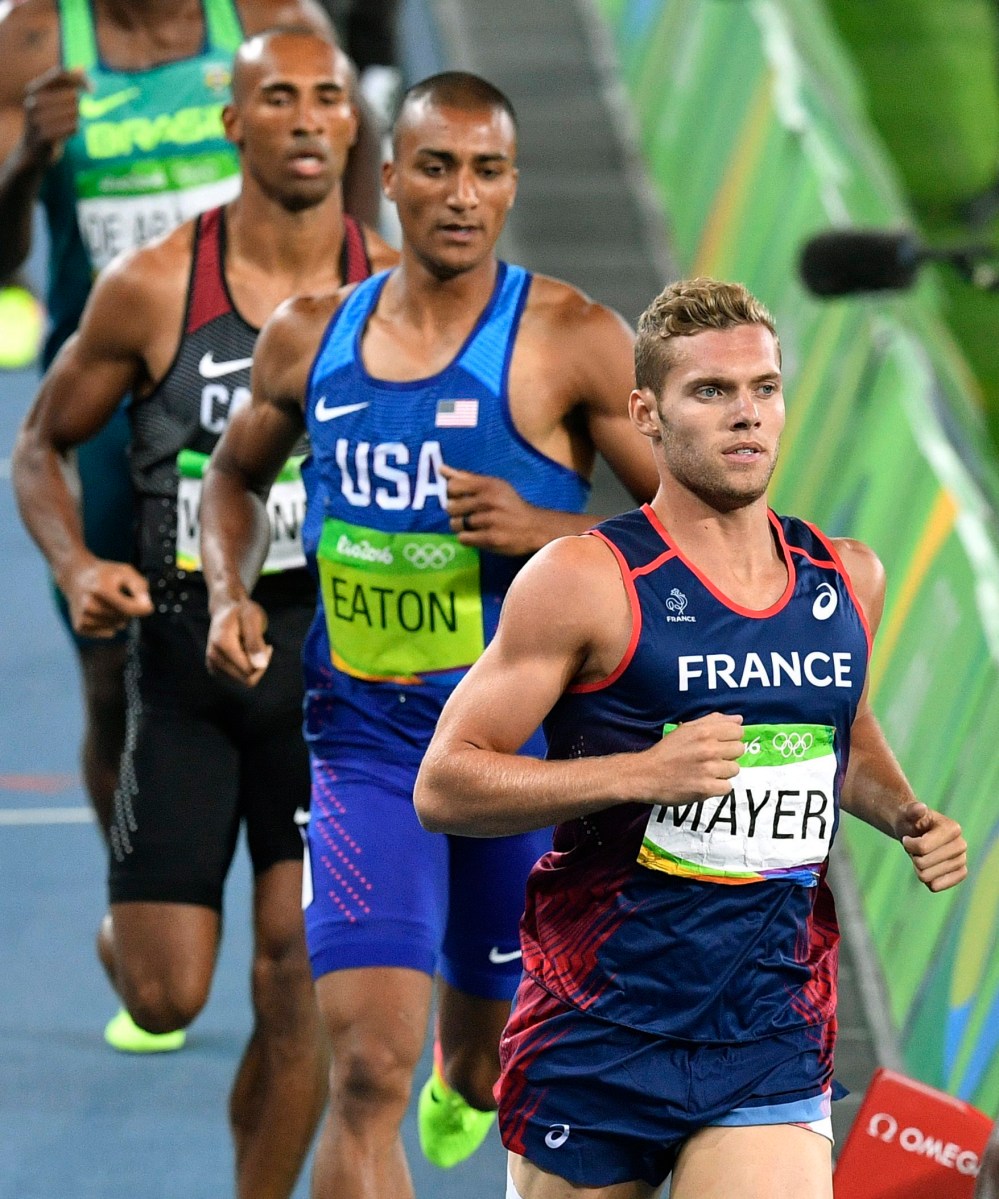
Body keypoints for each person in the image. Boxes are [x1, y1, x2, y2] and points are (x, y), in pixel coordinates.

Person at [198, 70, 659, 1197]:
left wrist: (552, 525)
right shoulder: (311, 336)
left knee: (482, 1063)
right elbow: (232, 477)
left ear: (512, 186)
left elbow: (693, 534)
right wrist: (228, 588)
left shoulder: (570, 339)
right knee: (367, 1072)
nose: (462, 194)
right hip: (360, 748)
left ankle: (471, 1077)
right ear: (391, 179)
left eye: (488, 170)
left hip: (517, 759)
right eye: (438, 167)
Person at [413, 277, 970, 1199]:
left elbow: (844, 727)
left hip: (767, 1024)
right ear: (647, 413)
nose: (745, 415)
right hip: (598, 1022)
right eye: (711, 392)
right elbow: (445, 784)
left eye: (763, 387)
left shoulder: (845, 577)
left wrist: (903, 811)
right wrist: (643, 772)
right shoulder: (587, 579)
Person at [12, 28, 395, 1194]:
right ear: (234, 126)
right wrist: (78, 562)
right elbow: (40, 445)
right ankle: (128, 943)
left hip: (330, 676)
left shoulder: (399, 293)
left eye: (326, 98)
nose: (303, 118)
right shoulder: (155, 287)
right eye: (274, 97)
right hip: (182, 661)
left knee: (294, 978)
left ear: (350, 126)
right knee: (166, 991)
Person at [0, 0, 379, 849]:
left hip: (281, 370)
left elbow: (356, 121)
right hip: (115, 394)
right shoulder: (32, 40)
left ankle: (311, 885)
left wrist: (358, 277)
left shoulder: (267, 16)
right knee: (111, 670)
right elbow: (2, 258)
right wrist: (28, 158)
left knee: (321, 638)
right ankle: (138, 879)